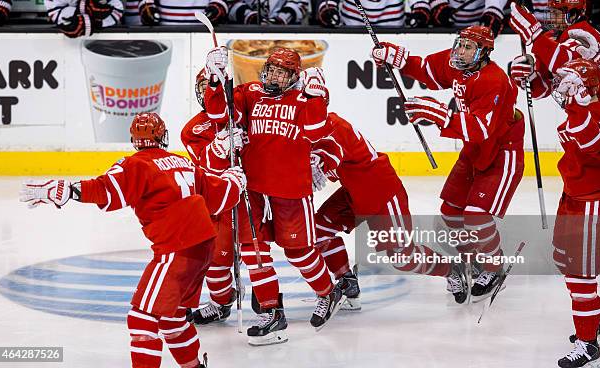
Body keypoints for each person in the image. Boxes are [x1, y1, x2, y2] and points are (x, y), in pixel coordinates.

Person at [19, 112, 246, 368]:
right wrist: (235, 179)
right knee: (173, 319)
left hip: (176, 249)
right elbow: (221, 197)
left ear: (134, 140)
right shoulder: (182, 162)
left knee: (141, 318)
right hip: (203, 247)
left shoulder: (135, 165)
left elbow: (105, 188)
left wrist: (70, 191)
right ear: (162, 137)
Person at [203, 46, 345, 345]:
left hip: (290, 190)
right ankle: (270, 312)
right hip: (252, 189)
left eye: (282, 73)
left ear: (294, 76)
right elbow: (218, 113)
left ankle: (327, 292)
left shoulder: (303, 99)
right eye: (271, 70)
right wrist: (215, 80)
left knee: (299, 252)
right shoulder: (252, 93)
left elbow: (317, 131)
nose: (274, 77)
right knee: (254, 252)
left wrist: (318, 95)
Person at [371, 25, 525, 300]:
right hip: (474, 151)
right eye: (460, 44)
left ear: (484, 52)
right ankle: (474, 259)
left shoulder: (493, 80)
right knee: (451, 213)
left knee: (476, 217)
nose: (461, 51)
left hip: (502, 152)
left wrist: (439, 114)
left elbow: (480, 129)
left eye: (469, 47)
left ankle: (494, 265)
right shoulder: (458, 63)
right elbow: (426, 70)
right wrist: (396, 57)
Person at [311, 111, 471, 306]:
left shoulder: (337, 128)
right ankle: (346, 282)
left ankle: (452, 269)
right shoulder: (305, 130)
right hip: (354, 192)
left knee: (403, 257)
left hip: (381, 191)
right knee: (318, 231)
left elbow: (330, 153)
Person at [181, 69, 245, 325]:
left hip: (250, 196)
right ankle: (222, 302)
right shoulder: (192, 129)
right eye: (203, 87)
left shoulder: (242, 115)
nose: (208, 92)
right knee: (215, 261)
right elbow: (204, 165)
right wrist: (219, 147)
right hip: (216, 202)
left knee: (258, 253)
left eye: (213, 87)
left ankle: (269, 301)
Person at [552, 59, 600, 368]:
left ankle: (588, 344)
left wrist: (578, 110)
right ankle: (593, 321)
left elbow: (595, 146)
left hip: (592, 202)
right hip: (572, 197)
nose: (562, 88)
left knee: (581, 277)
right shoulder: (580, 112)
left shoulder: (597, 114)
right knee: (563, 261)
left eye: (569, 82)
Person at [45, 0, 123, 38]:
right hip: (70, 46)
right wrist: (78, 12)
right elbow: (55, 12)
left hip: (106, 40)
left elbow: (117, 8)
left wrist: (98, 22)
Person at [428, 0, 507, 37]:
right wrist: (438, 4)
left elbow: (494, 5)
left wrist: (493, 12)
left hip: (479, 27)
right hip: (444, 32)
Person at [124, 0, 230, 26]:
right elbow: (146, 3)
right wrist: (148, 10)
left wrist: (217, 8)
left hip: (203, 36)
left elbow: (221, 3)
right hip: (165, 35)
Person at [314, 0, 404, 28]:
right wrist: (327, 10)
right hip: (349, 33)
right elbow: (326, 4)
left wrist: (418, 10)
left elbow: (417, 3)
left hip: (397, 35)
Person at [228, 0, 308, 24]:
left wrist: (282, 18)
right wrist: (250, 17)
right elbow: (230, 4)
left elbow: (301, 4)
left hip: (285, 32)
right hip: (243, 32)